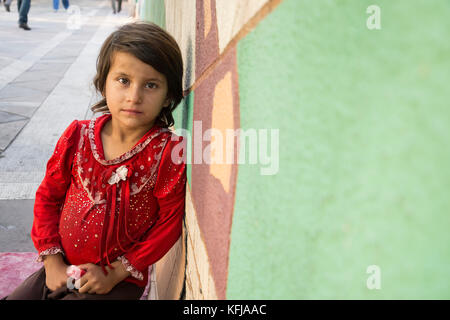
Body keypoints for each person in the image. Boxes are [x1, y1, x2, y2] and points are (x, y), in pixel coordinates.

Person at [3, 22, 186, 300]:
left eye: (150, 85)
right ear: (103, 83)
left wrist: (117, 272)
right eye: (123, 80)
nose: (134, 96)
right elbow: (48, 197)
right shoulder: (78, 136)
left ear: (168, 97)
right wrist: (52, 264)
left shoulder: (167, 153)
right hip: (62, 267)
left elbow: (169, 222)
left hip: (117, 281)